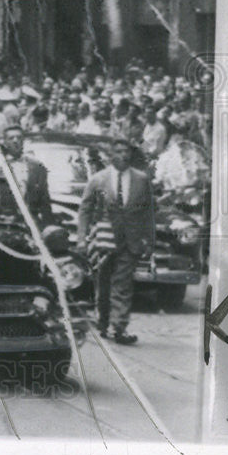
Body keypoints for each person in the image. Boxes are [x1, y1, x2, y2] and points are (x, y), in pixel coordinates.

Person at [77, 138, 156, 345]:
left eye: (127, 152)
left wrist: (149, 240)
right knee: (102, 283)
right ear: (110, 155)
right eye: (119, 151)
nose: (123, 155)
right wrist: (82, 238)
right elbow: (85, 210)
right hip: (104, 239)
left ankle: (119, 327)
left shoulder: (141, 179)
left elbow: (148, 212)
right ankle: (103, 321)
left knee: (123, 284)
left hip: (131, 240)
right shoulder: (97, 179)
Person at [0, 125, 55, 227]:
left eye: (19, 138)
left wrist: (48, 225)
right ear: (4, 142)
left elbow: (44, 199)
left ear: (23, 141)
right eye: (11, 138)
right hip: (4, 224)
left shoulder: (37, 167)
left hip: (31, 224)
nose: (15, 141)